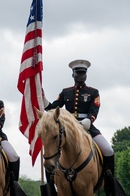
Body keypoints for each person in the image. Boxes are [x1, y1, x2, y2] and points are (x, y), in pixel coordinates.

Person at [44, 59, 116, 192]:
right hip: (69, 128)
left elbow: (94, 109)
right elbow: (53, 109)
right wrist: (43, 99)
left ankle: (109, 183)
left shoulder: (93, 92)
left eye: (83, 73)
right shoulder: (66, 92)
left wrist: (89, 120)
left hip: (87, 126)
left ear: (86, 75)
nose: (80, 76)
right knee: (51, 154)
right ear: (73, 74)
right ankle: (50, 187)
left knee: (108, 151)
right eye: (78, 73)